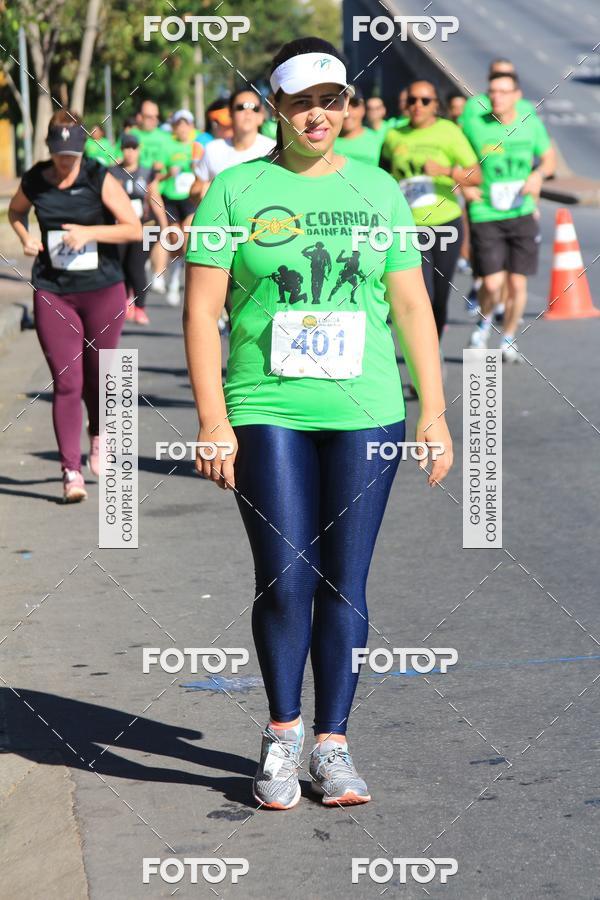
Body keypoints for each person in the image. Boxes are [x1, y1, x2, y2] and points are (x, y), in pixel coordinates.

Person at [184, 37, 452, 811]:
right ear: (275, 106)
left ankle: (332, 745)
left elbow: (410, 307)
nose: (317, 115)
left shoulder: (379, 190)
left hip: (366, 411)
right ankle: (282, 734)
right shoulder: (233, 191)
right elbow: (202, 313)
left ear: (347, 104)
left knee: (346, 579)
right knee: (286, 576)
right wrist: (212, 420)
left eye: (330, 99)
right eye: (301, 101)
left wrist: (433, 413)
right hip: (267, 407)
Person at [8, 111, 141, 501]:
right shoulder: (35, 179)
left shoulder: (98, 176)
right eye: (61, 154)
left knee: (99, 374)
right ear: (50, 148)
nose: (67, 162)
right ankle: (71, 471)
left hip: (102, 289)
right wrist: (25, 237)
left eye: (73, 154)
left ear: (84, 147)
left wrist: (89, 233)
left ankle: (98, 433)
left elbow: (132, 228)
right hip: (53, 289)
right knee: (68, 381)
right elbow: (15, 212)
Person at [380, 80, 481, 344]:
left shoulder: (448, 132)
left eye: (425, 101)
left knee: (439, 296)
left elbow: (476, 174)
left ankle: (432, 350)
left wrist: (447, 172)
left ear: (436, 105)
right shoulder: (394, 137)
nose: (417, 106)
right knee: (420, 294)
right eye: (412, 100)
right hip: (409, 227)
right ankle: (420, 352)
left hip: (445, 223)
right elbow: (383, 177)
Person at [463, 72, 555, 360]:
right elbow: (456, 158)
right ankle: (485, 320)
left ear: (517, 96)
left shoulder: (529, 125)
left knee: (517, 283)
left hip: (522, 211)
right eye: (492, 92)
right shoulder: (475, 126)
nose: (496, 97)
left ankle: (510, 335)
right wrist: (464, 188)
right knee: (492, 283)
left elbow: (549, 158)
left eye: (504, 92)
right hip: (486, 211)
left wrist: (538, 175)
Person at [109, 133, 168, 324]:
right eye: (127, 147)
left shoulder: (147, 172)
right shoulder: (112, 173)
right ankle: (127, 302)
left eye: (134, 148)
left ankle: (141, 307)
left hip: (146, 226)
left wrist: (164, 225)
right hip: (120, 227)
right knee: (120, 266)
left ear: (139, 150)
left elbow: (155, 198)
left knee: (136, 266)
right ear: (122, 149)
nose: (130, 152)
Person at [191, 89, 275, 199]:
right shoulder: (213, 149)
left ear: (261, 116)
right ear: (230, 114)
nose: (248, 112)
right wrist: (204, 189)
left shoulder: (274, 149)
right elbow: (194, 190)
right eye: (241, 107)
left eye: (254, 108)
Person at [129, 100, 174, 294]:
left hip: (159, 191)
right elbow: (119, 165)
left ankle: (158, 275)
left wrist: (158, 176)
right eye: (149, 117)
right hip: (133, 193)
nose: (154, 120)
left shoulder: (164, 138)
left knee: (157, 235)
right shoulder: (130, 137)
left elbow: (169, 169)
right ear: (139, 117)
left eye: (156, 117)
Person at [160, 109, 201, 306]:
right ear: (175, 127)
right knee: (174, 239)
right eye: (179, 124)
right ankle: (175, 277)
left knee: (186, 235)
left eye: (187, 124)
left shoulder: (199, 144)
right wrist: (168, 172)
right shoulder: (167, 145)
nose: (183, 128)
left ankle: (185, 279)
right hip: (171, 196)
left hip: (190, 198)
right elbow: (157, 173)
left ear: (191, 126)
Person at [461, 59, 537, 126]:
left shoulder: (526, 107)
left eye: (509, 75)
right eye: (498, 75)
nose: (504, 78)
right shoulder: (474, 105)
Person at [333, 87, 381, 165]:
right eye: (342, 104)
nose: (347, 111)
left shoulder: (379, 140)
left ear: (363, 109)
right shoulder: (325, 142)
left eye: (355, 104)